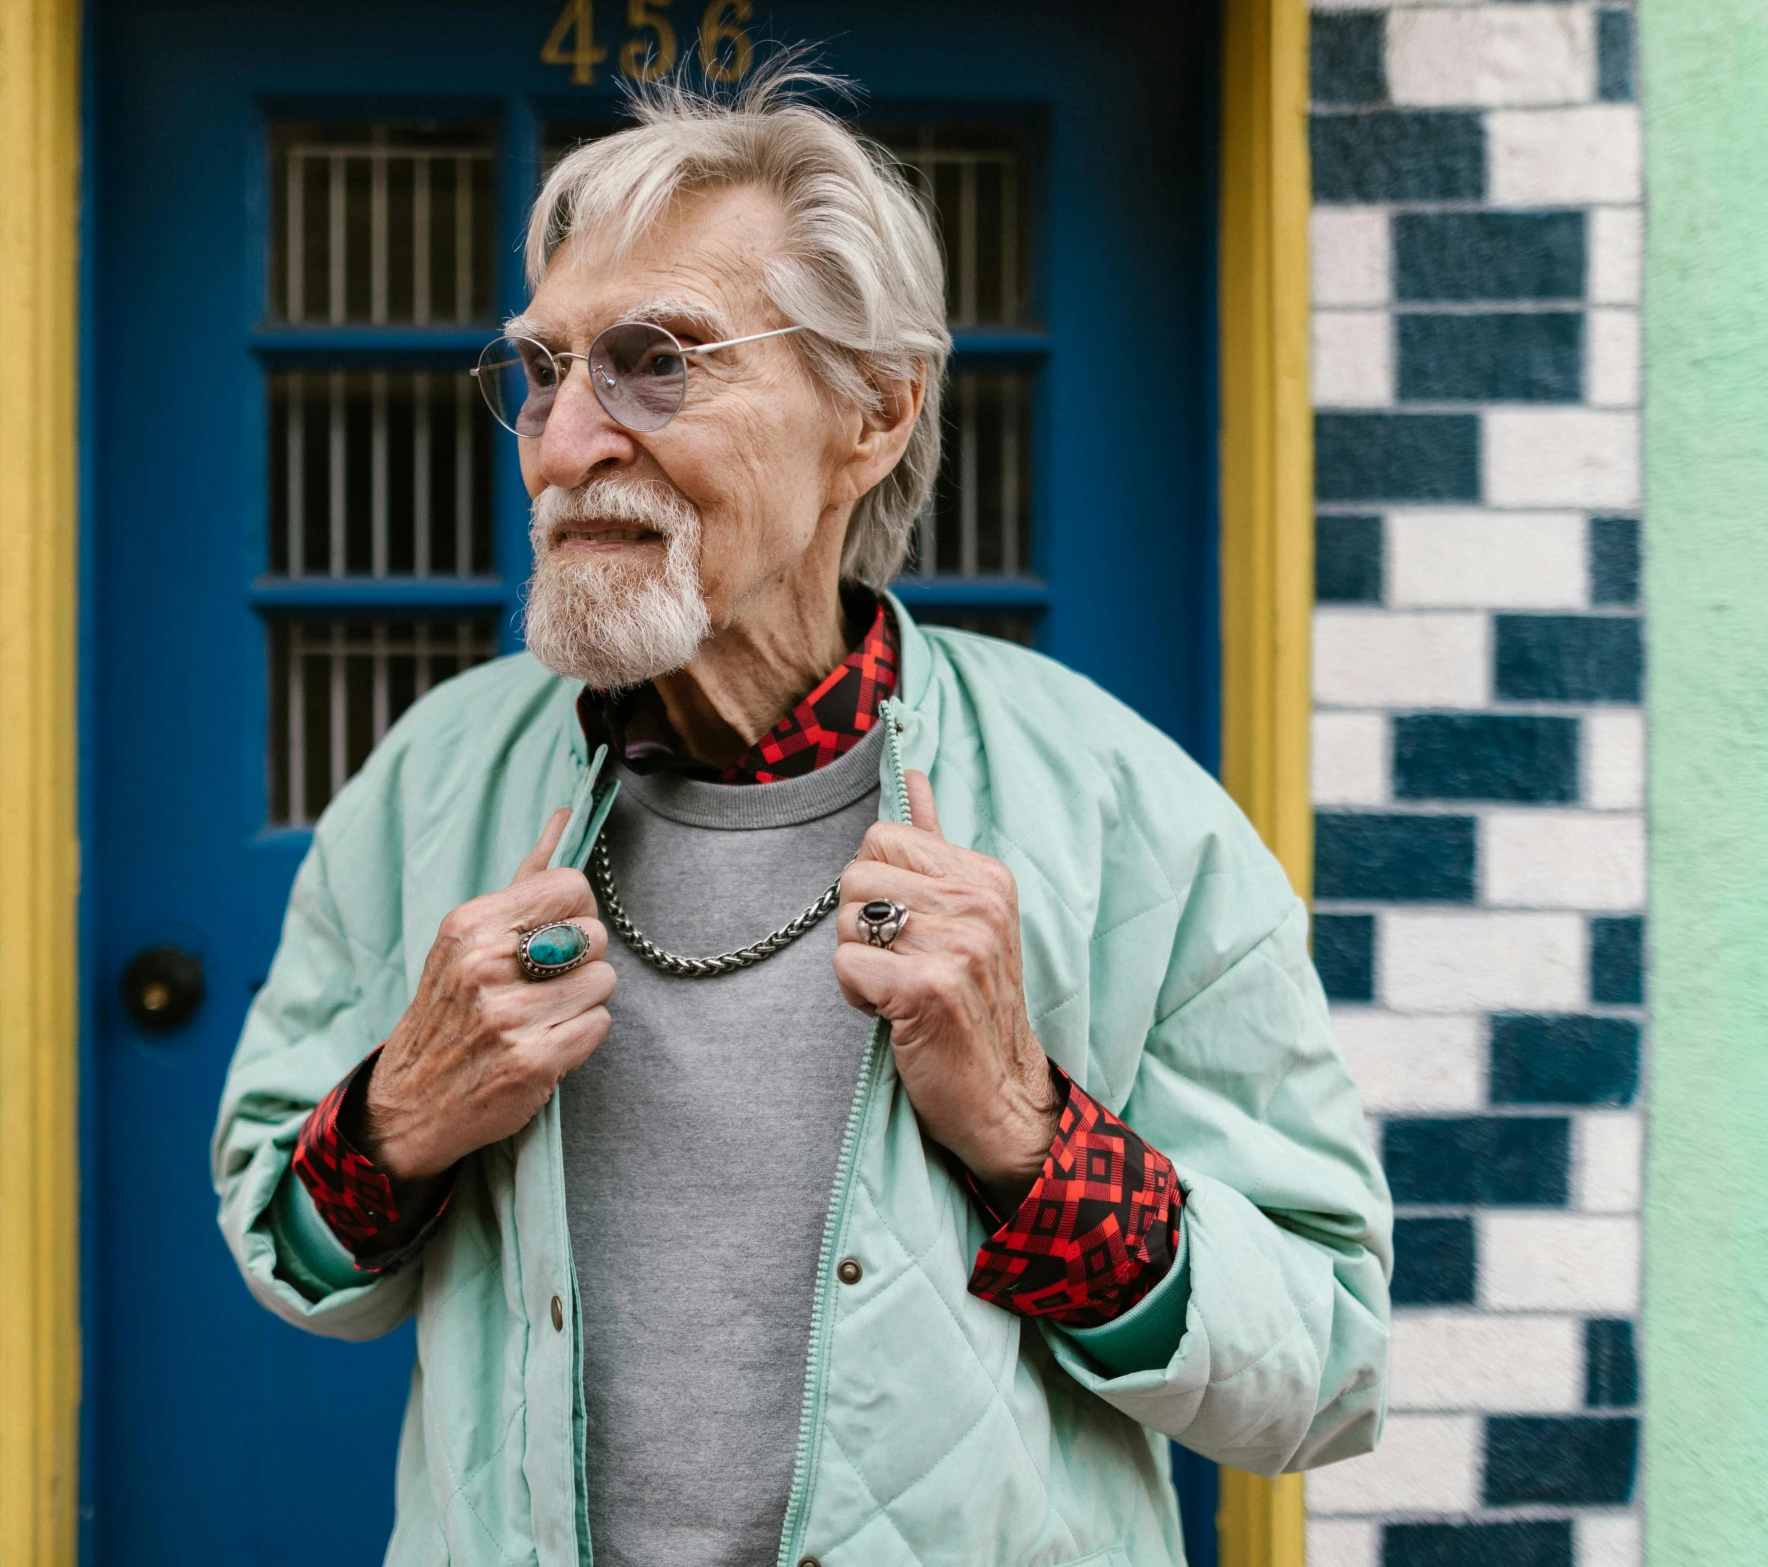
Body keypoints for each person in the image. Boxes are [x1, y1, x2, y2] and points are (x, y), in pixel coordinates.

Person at [214, 65, 1390, 1567]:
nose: (567, 440)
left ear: (874, 414)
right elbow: (284, 1237)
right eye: (542, 370)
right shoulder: (431, 776)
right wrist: (402, 1113)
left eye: (656, 362)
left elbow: (1330, 1365)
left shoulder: (1118, 805)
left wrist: (1029, 1132)